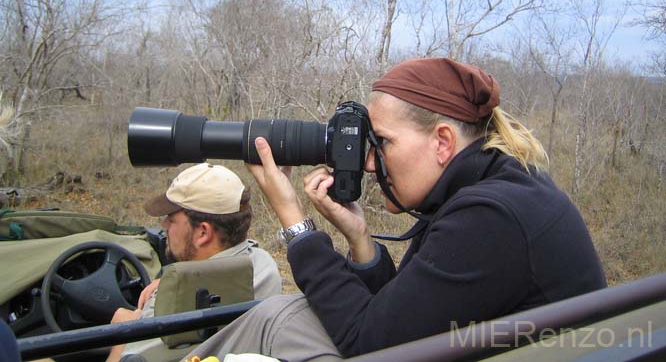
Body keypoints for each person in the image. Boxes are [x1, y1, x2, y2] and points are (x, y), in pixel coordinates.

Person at [183, 57, 607, 362]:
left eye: (382, 142)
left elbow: (372, 343)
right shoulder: (498, 186)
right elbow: (410, 317)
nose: (369, 161)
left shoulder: (492, 217)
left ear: (442, 142)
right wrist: (360, 240)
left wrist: (295, 224)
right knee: (280, 313)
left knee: (280, 322)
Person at [106, 162, 282, 362]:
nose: (163, 225)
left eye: (171, 219)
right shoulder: (262, 264)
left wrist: (123, 333)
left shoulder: (180, 303)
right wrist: (169, 278)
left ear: (203, 232)